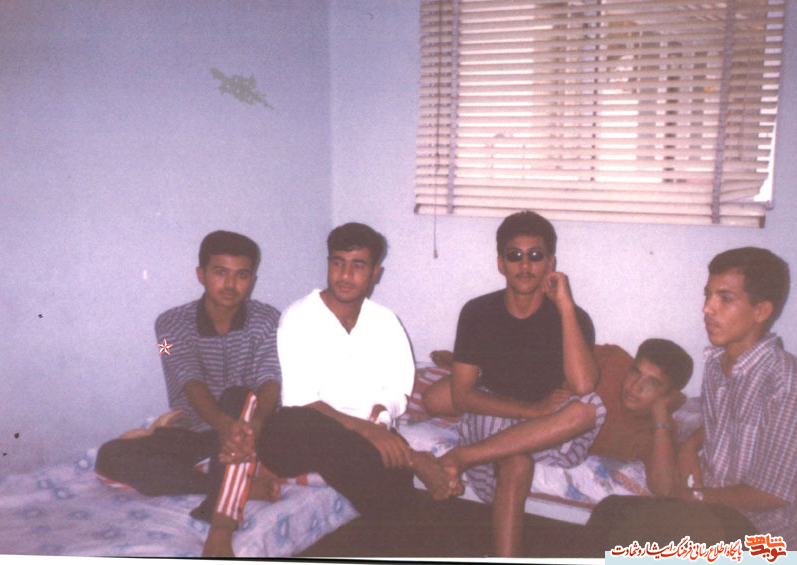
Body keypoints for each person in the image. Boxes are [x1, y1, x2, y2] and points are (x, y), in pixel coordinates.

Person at [202, 222, 456, 557]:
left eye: (358, 266)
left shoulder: (385, 321)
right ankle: (413, 460)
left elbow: (398, 387)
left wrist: (381, 421)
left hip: (359, 440)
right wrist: (371, 432)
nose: (345, 275)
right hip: (299, 433)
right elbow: (301, 400)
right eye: (337, 263)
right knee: (306, 423)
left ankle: (407, 540)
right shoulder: (298, 317)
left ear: (375, 273)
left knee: (385, 473)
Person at [426, 210, 602, 557]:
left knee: (589, 408)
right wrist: (530, 410)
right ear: (500, 263)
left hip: (545, 430)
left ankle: (463, 456)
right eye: (514, 255)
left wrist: (565, 306)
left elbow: (583, 385)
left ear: (550, 263)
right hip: (498, 413)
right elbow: (462, 396)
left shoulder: (573, 316)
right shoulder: (477, 312)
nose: (525, 265)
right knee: (514, 461)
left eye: (535, 255)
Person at [95, 231, 282, 534]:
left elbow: (269, 378)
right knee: (110, 456)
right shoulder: (167, 326)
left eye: (242, 275)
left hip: (250, 430)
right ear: (201, 274)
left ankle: (220, 500)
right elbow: (187, 379)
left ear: (253, 279)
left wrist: (255, 426)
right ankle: (230, 485)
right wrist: (224, 427)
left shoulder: (270, 320)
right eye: (220, 272)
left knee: (237, 394)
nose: (230, 284)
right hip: (195, 434)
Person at [425, 338, 693, 502]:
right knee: (433, 400)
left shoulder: (658, 430)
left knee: (585, 409)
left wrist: (660, 413)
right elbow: (549, 353)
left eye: (651, 384)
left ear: (669, 395)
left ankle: (465, 455)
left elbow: (664, 489)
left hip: (553, 431)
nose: (635, 387)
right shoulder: (613, 360)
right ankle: (478, 368)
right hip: (527, 397)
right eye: (635, 372)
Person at [675, 247, 796, 546]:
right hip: (716, 511)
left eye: (725, 299)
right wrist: (690, 445)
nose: (707, 308)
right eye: (708, 295)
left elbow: (771, 494)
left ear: (761, 311)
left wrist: (695, 497)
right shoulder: (717, 362)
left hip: (762, 532)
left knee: (636, 533)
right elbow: (725, 421)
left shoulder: (784, 380)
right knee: (613, 513)